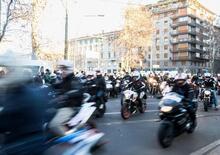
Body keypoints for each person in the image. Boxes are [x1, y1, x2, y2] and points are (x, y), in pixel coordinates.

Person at [49, 60, 84, 136]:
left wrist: (66, 95)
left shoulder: (75, 80)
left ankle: (70, 139)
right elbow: (54, 86)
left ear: (69, 69)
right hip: (62, 106)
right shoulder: (63, 81)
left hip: (70, 107)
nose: (61, 71)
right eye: (61, 69)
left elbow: (77, 91)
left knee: (54, 125)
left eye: (63, 69)